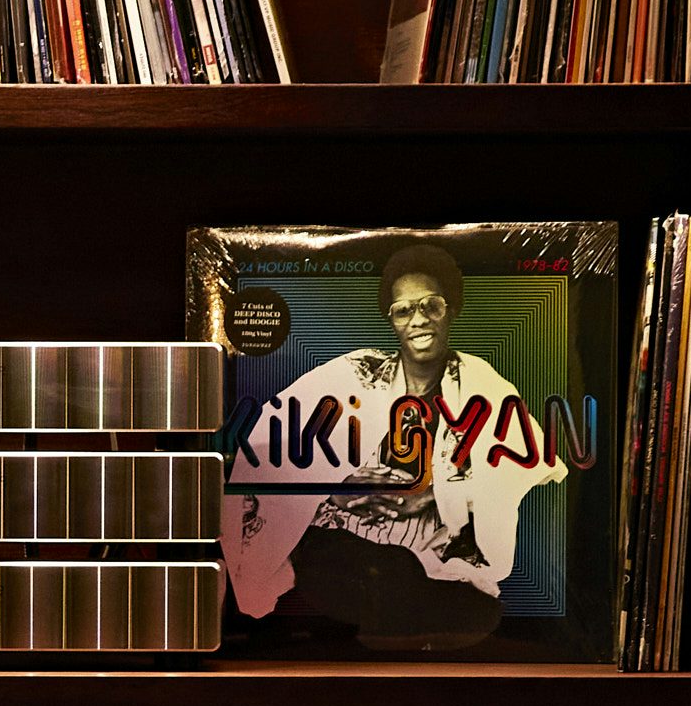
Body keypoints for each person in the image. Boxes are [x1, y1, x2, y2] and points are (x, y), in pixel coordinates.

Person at [225, 235, 557, 649]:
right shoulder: (354, 372)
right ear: (391, 320)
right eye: (403, 311)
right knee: (350, 571)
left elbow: (534, 461)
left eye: (430, 305)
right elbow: (269, 447)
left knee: (459, 602)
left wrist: (435, 494)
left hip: (425, 560)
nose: (418, 320)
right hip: (343, 548)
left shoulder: (480, 384)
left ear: (450, 309)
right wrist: (337, 489)